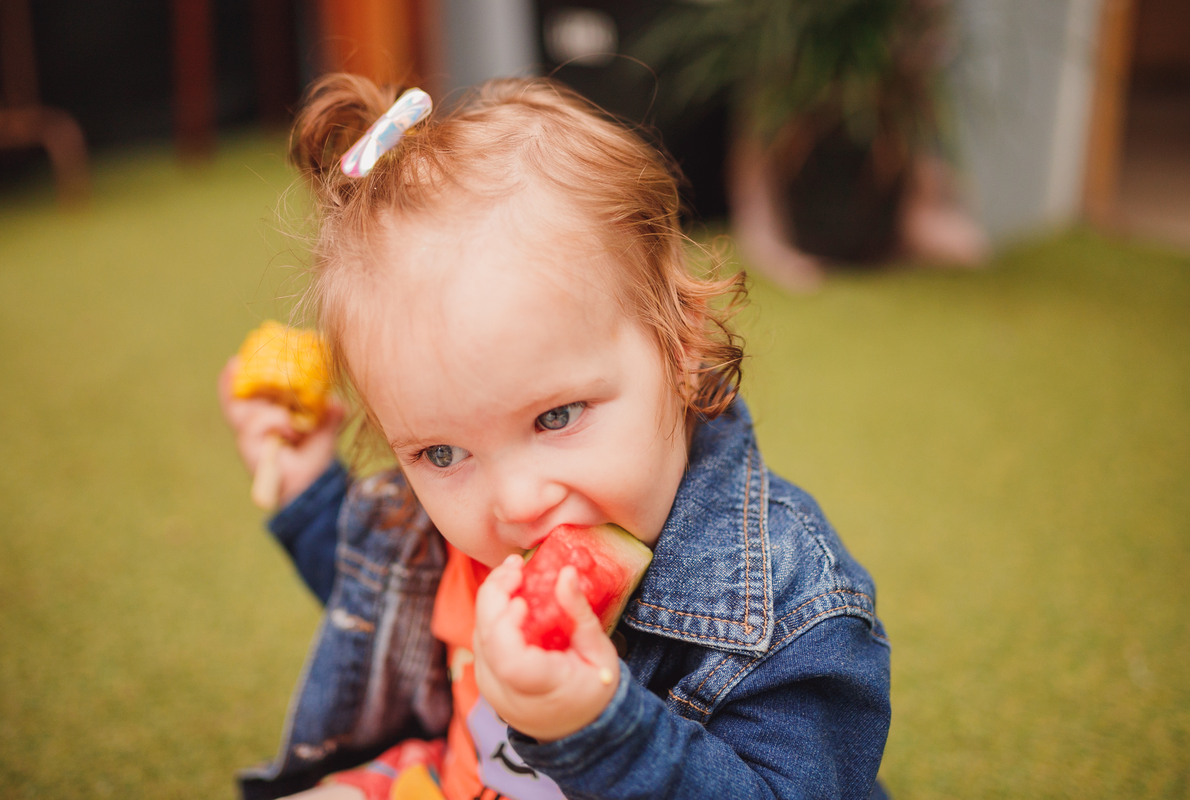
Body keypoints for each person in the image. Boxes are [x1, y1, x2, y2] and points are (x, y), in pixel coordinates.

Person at [220, 74, 891, 800]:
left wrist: (598, 726)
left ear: (679, 344)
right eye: (440, 454)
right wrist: (308, 485)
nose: (515, 503)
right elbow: (389, 604)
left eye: (556, 417)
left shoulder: (793, 602)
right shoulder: (467, 528)